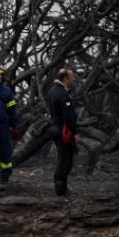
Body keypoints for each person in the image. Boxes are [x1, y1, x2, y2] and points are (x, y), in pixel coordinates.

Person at [48, 68, 79, 197]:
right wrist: (75, 132)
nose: (74, 79)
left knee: (63, 158)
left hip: (55, 128)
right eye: (72, 77)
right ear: (65, 79)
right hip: (63, 131)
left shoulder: (52, 91)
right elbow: (68, 118)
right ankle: (60, 189)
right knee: (66, 160)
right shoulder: (62, 94)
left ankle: (61, 187)